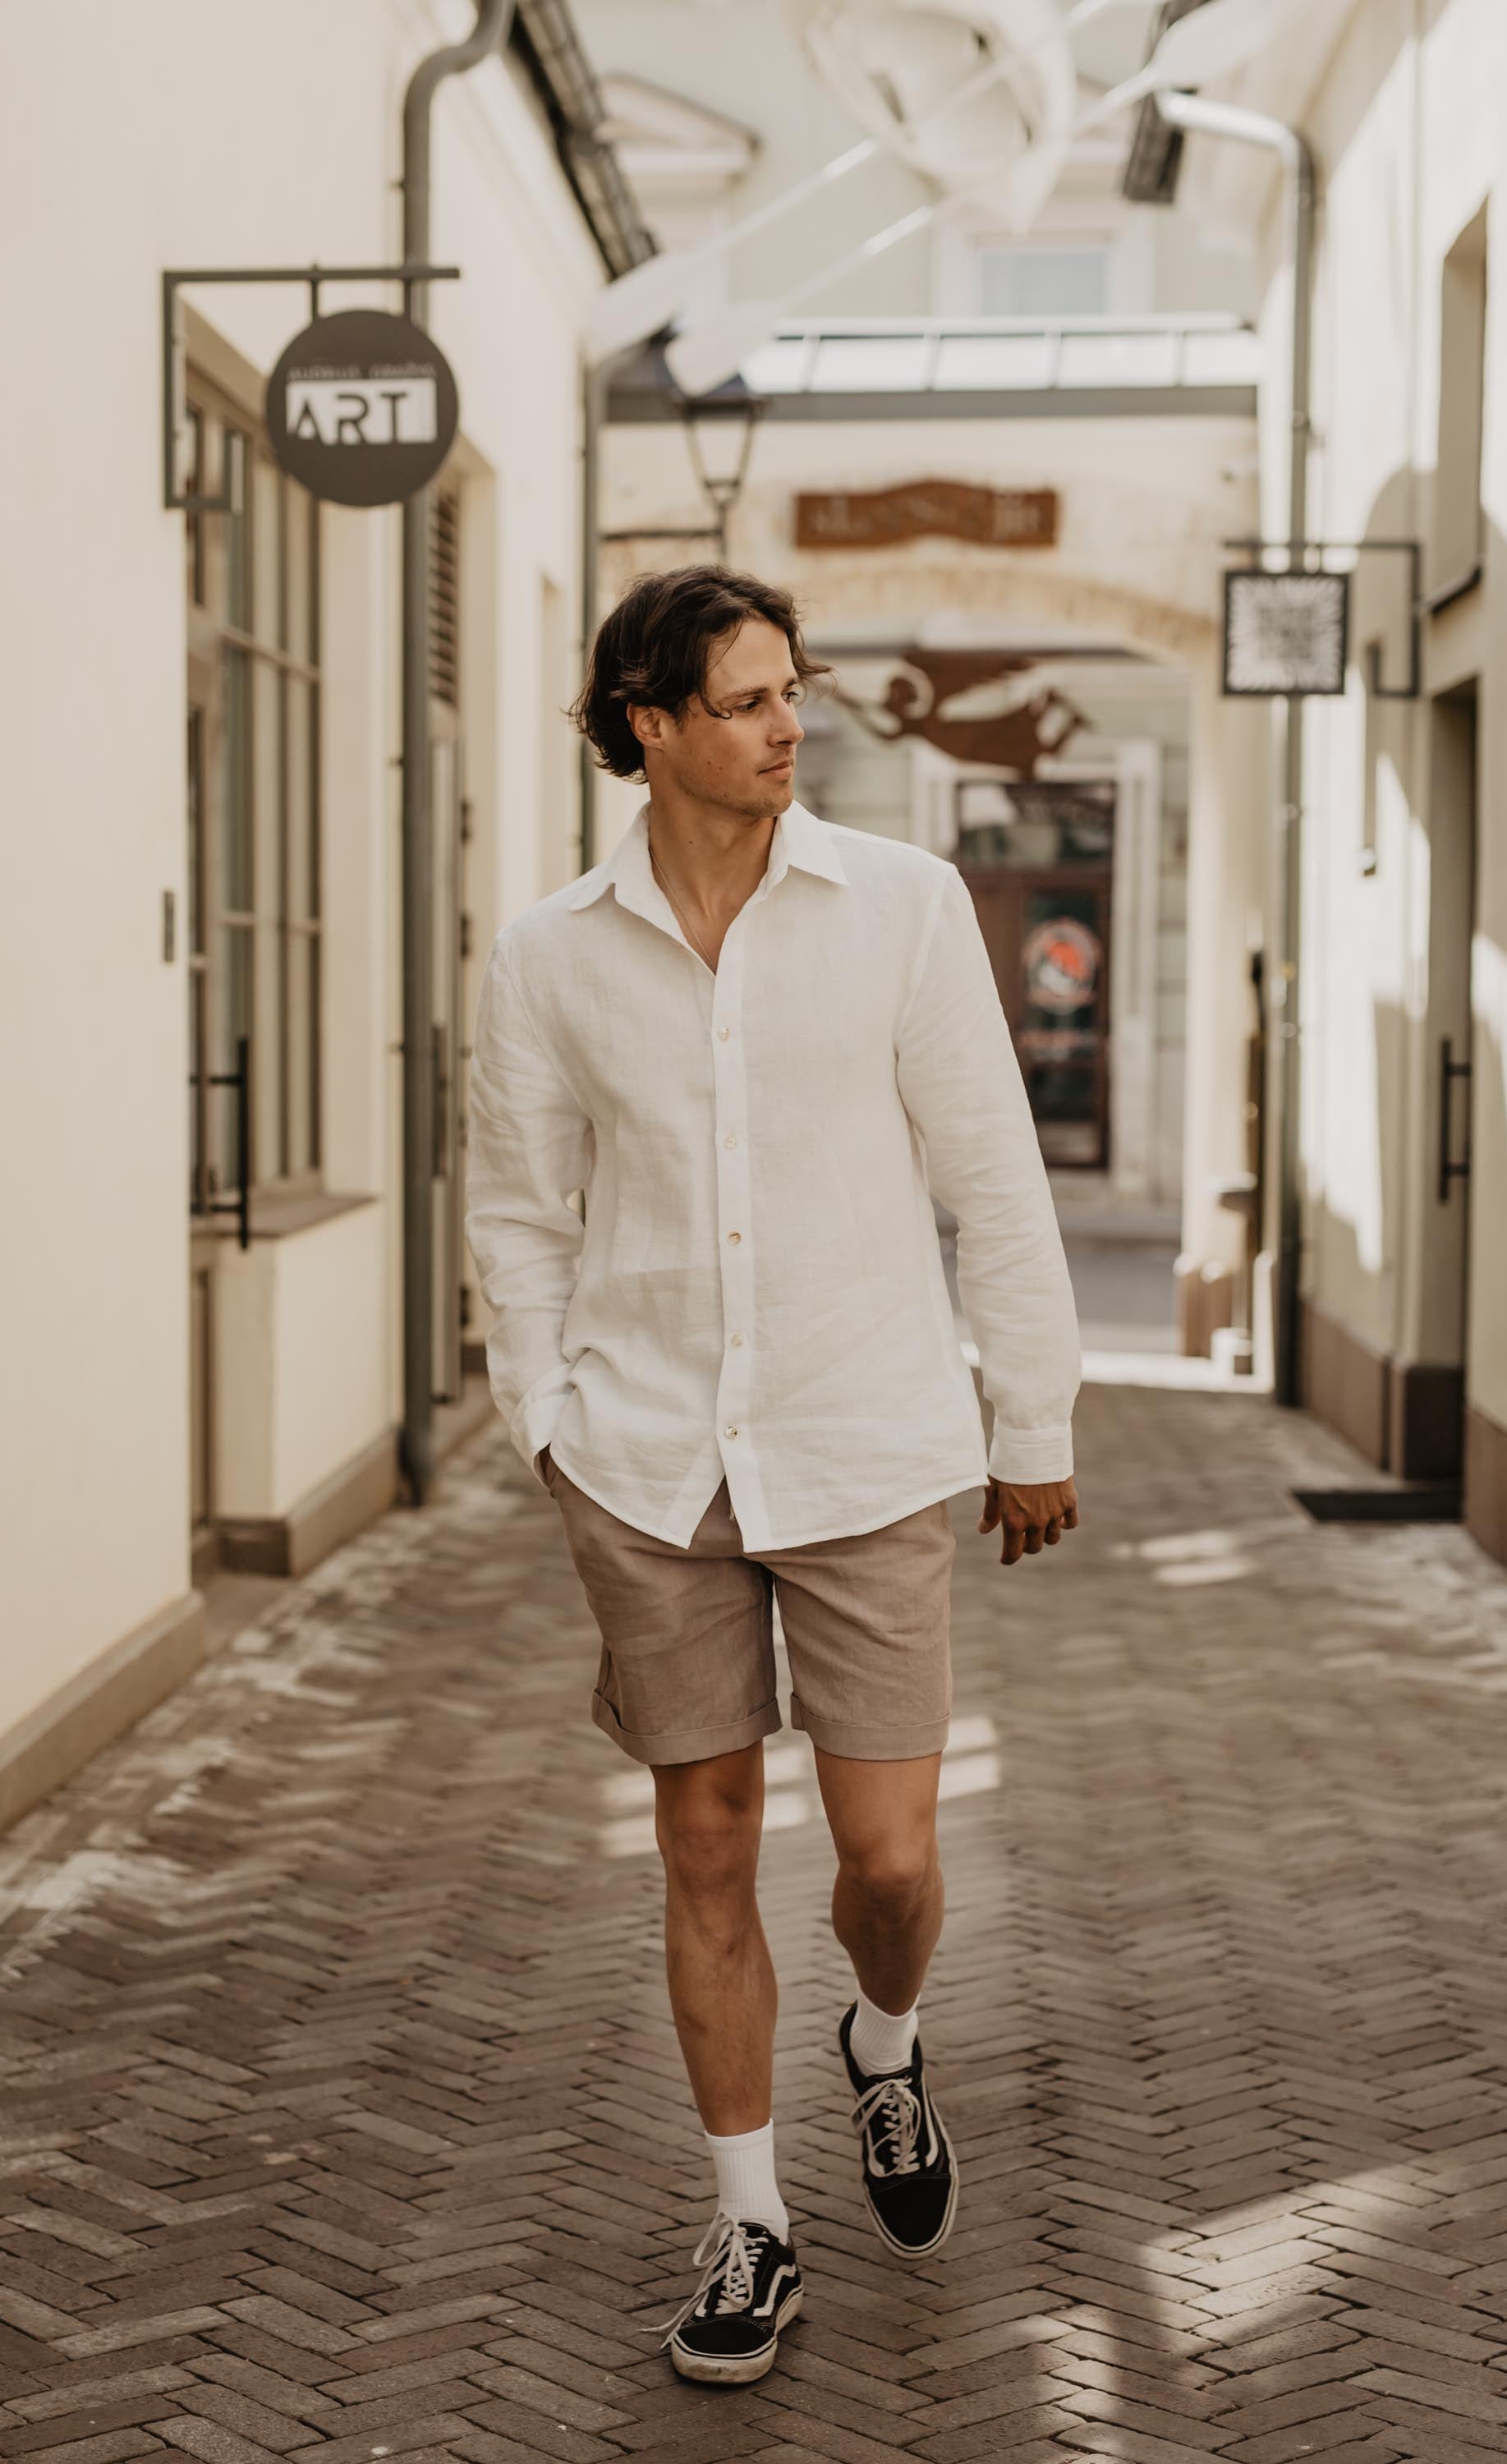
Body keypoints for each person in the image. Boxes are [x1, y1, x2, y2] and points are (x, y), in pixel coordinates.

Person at [465, 564, 1081, 2387]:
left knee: (887, 1857)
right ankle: (749, 2218)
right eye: (744, 700)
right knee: (707, 1839)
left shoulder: (898, 905)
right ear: (648, 724)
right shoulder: (550, 953)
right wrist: (545, 1418)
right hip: (648, 1460)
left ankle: (882, 2049)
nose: (786, 723)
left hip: (869, 1435)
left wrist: (1030, 1424)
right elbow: (516, 1207)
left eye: (790, 691)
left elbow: (990, 1171)